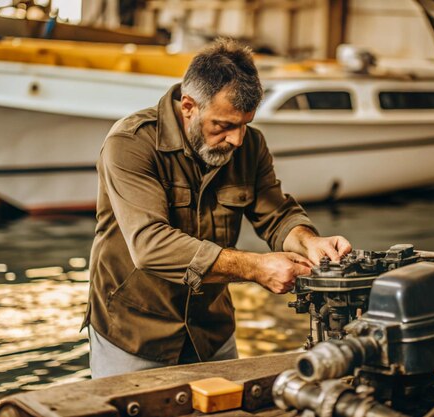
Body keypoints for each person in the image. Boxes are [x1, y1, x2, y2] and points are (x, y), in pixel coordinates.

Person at [83, 38, 352, 378]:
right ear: (188, 107)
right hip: (134, 334)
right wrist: (254, 267)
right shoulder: (130, 143)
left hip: (211, 332)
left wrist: (310, 241)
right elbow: (150, 245)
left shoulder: (249, 145)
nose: (237, 139)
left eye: (245, 124)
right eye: (224, 126)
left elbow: (276, 215)